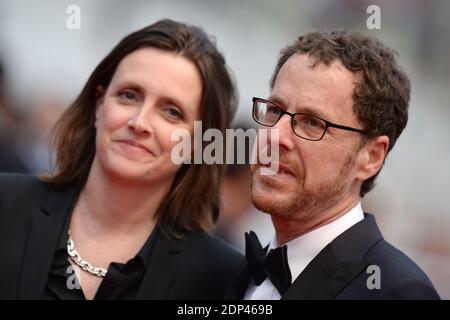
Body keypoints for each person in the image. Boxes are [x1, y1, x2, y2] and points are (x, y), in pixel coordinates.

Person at [0, 19, 243, 300]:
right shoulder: (6, 205)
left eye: (171, 112)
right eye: (128, 96)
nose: (139, 122)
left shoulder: (218, 278)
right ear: (99, 104)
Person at [226, 30, 440, 300]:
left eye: (313, 123)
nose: (275, 135)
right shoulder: (231, 273)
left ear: (371, 156)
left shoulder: (396, 292)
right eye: (275, 111)